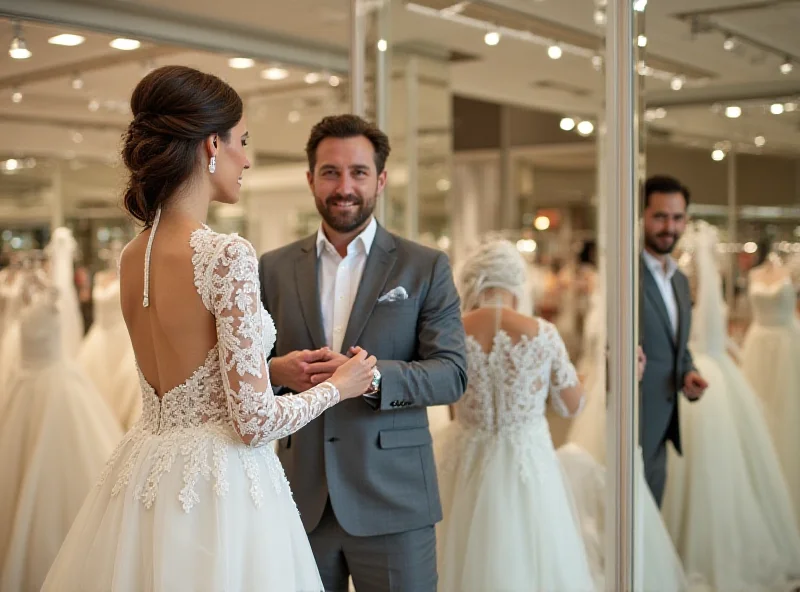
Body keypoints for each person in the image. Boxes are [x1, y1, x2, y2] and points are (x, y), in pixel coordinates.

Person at [42, 65, 376, 591]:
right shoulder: (226, 254)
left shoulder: (133, 255)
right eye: (242, 141)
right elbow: (255, 423)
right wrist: (340, 387)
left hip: (148, 471)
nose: (247, 158)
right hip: (219, 486)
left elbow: (187, 376)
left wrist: (270, 367)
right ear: (209, 146)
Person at [259, 114, 467, 592]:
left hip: (394, 499)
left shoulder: (425, 266)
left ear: (381, 180)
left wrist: (369, 379)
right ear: (310, 179)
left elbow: (452, 373)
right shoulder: (271, 267)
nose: (344, 186)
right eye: (330, 172)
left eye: (358, 172)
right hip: (299, 498)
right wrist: (276, 370)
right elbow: (247, 371)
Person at [434, 238, 594, 591]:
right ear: (517, 282)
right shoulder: (542, 333)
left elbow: (450, 405)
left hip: (464, 458)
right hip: (527, 461)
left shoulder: (450, 334)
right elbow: (572, 405)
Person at [640, 174, 708, 507]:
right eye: (660, 216)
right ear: (641, 216)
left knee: (652, 516)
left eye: (678, 217)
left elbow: (676, 347)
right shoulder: (626, 276)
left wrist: (688, 372)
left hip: (665, 420)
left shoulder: (679, 280)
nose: (670, 226)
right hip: (631, 422)